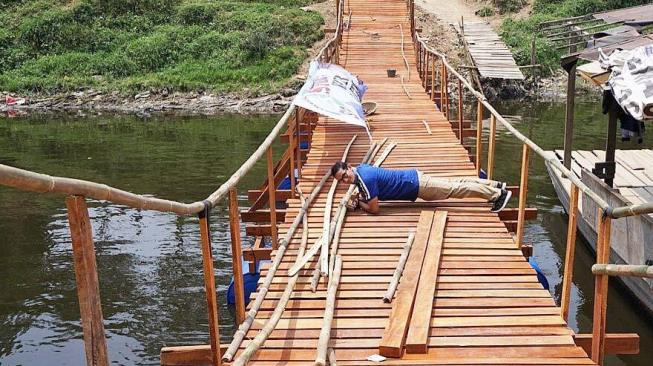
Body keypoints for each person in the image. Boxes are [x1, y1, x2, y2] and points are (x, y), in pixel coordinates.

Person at [330, 161, 511, 214]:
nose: (345, 180)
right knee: (455, 183)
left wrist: (360, 202)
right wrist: (360, 194)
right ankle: (496, 185)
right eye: (342, 180)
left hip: (417, 186)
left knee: (456, 189)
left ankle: (496, 195)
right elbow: (368, 184)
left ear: (349, 168)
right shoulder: (362, 169)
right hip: (413, 178)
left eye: (345, 175)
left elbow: (375, 209)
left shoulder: (364, 180)